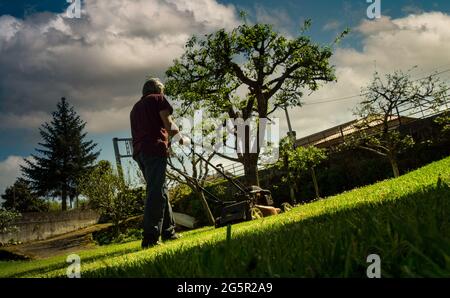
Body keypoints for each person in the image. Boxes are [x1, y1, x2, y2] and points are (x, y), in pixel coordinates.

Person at [130, 78, 190, 248]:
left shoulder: (135, 108)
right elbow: (168, 122)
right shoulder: (158, 99)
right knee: (156, 192)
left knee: (160, 189)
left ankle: (168, 232)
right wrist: (180, 138)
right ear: (158, 90)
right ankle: (150, 237)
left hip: (140, 152)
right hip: (153, 149)